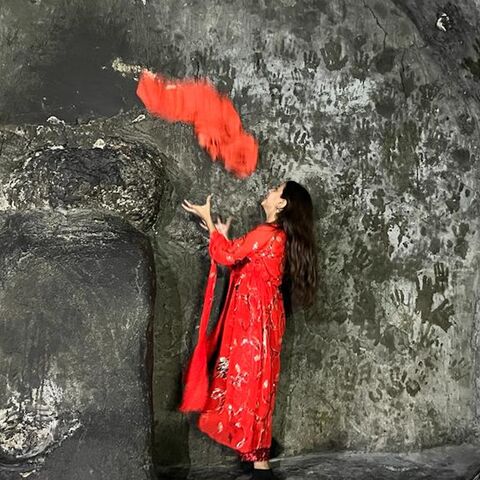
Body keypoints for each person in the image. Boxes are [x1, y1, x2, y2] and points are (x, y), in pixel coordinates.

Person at [181, 180, 317, 480]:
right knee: (253, 384)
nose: (268, 191)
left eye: (275, 190)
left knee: (252, 386)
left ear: (281, 204)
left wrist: (208, 220)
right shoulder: (273, 236)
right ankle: (254, 450)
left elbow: (228, 256)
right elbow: (240, 260)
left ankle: (260, 462)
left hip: (254, 323)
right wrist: (222, 237)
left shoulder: (267, 233)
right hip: (259, 320)